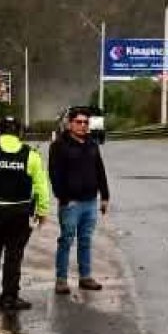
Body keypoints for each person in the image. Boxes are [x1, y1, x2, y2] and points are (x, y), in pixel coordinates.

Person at [0, 115, 50, 312]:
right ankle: (9, 297)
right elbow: (41, 186)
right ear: (20, 133)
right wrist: (42, 211)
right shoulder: (31, 155)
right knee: (13, 257)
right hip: (19, 215)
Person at [49, 106, 110, 295]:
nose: (83, 126)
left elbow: (100, 170)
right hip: (71, 204)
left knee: (85, 240)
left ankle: (85, 277)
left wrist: (105, 196)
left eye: (86, 122)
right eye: (79, 122)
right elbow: (54, 174)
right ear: (70, 124)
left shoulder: (92, 143)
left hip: (90, 202)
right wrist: (64, 198)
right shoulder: (59, 146)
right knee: (66, 240)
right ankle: (61, 279)